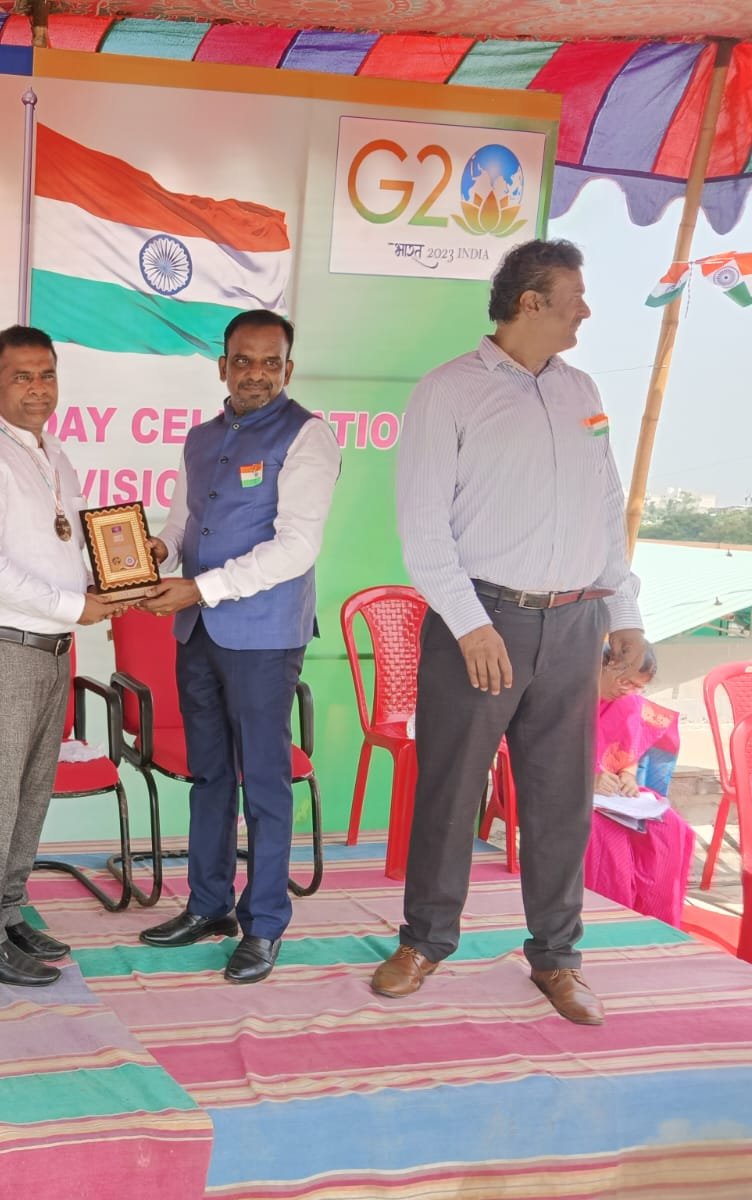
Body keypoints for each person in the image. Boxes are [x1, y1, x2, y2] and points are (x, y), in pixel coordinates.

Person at [378, 238, 645, 1026]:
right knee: (451, 790)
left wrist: (624, 615)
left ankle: (557, 958)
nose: (585, 310)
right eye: (574, 296)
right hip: (481, 623)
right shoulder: (448, 391)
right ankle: (424, 942)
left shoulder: (582, 390)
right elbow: (422, 527)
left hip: (576, 623)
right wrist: (470, 625)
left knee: (562, 799)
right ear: (531, 302)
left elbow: (606, 509)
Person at [136, 309, 341, 984]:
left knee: (265, 783)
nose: (256, 374)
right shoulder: (200, 438)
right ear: (222, 366)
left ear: (288, 368)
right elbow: (182, 522)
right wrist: (154, 551)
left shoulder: (307, 436)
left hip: (263, 636)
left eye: (270, 363)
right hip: (199, 632)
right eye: (244, 361)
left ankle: (265, 923)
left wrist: (200, 588)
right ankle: (208, 905)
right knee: (210, 776)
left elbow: (296, 546)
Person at [0, 325, 129, 987]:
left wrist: (121, 575)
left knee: (31, 789)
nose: (38, 388)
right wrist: (74, 606)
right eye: (22, 376)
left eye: (47, 374)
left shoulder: (56, 457)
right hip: (4, 648)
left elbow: (67, 549)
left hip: (51, 650)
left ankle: (7, 909)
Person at [585, 644, 693, 928]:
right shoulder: (568, 699)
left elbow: (626, 754)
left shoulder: (628, 703)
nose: (628, 690)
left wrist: (628, 777)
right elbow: (545, 756)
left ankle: (657, 921)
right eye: (625, 681)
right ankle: (608, 920)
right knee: (608, 839)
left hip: (609, 794)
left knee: (670, 827)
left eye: (636, 686)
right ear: (602, 666)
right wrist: (587, 780)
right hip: (567, 790)